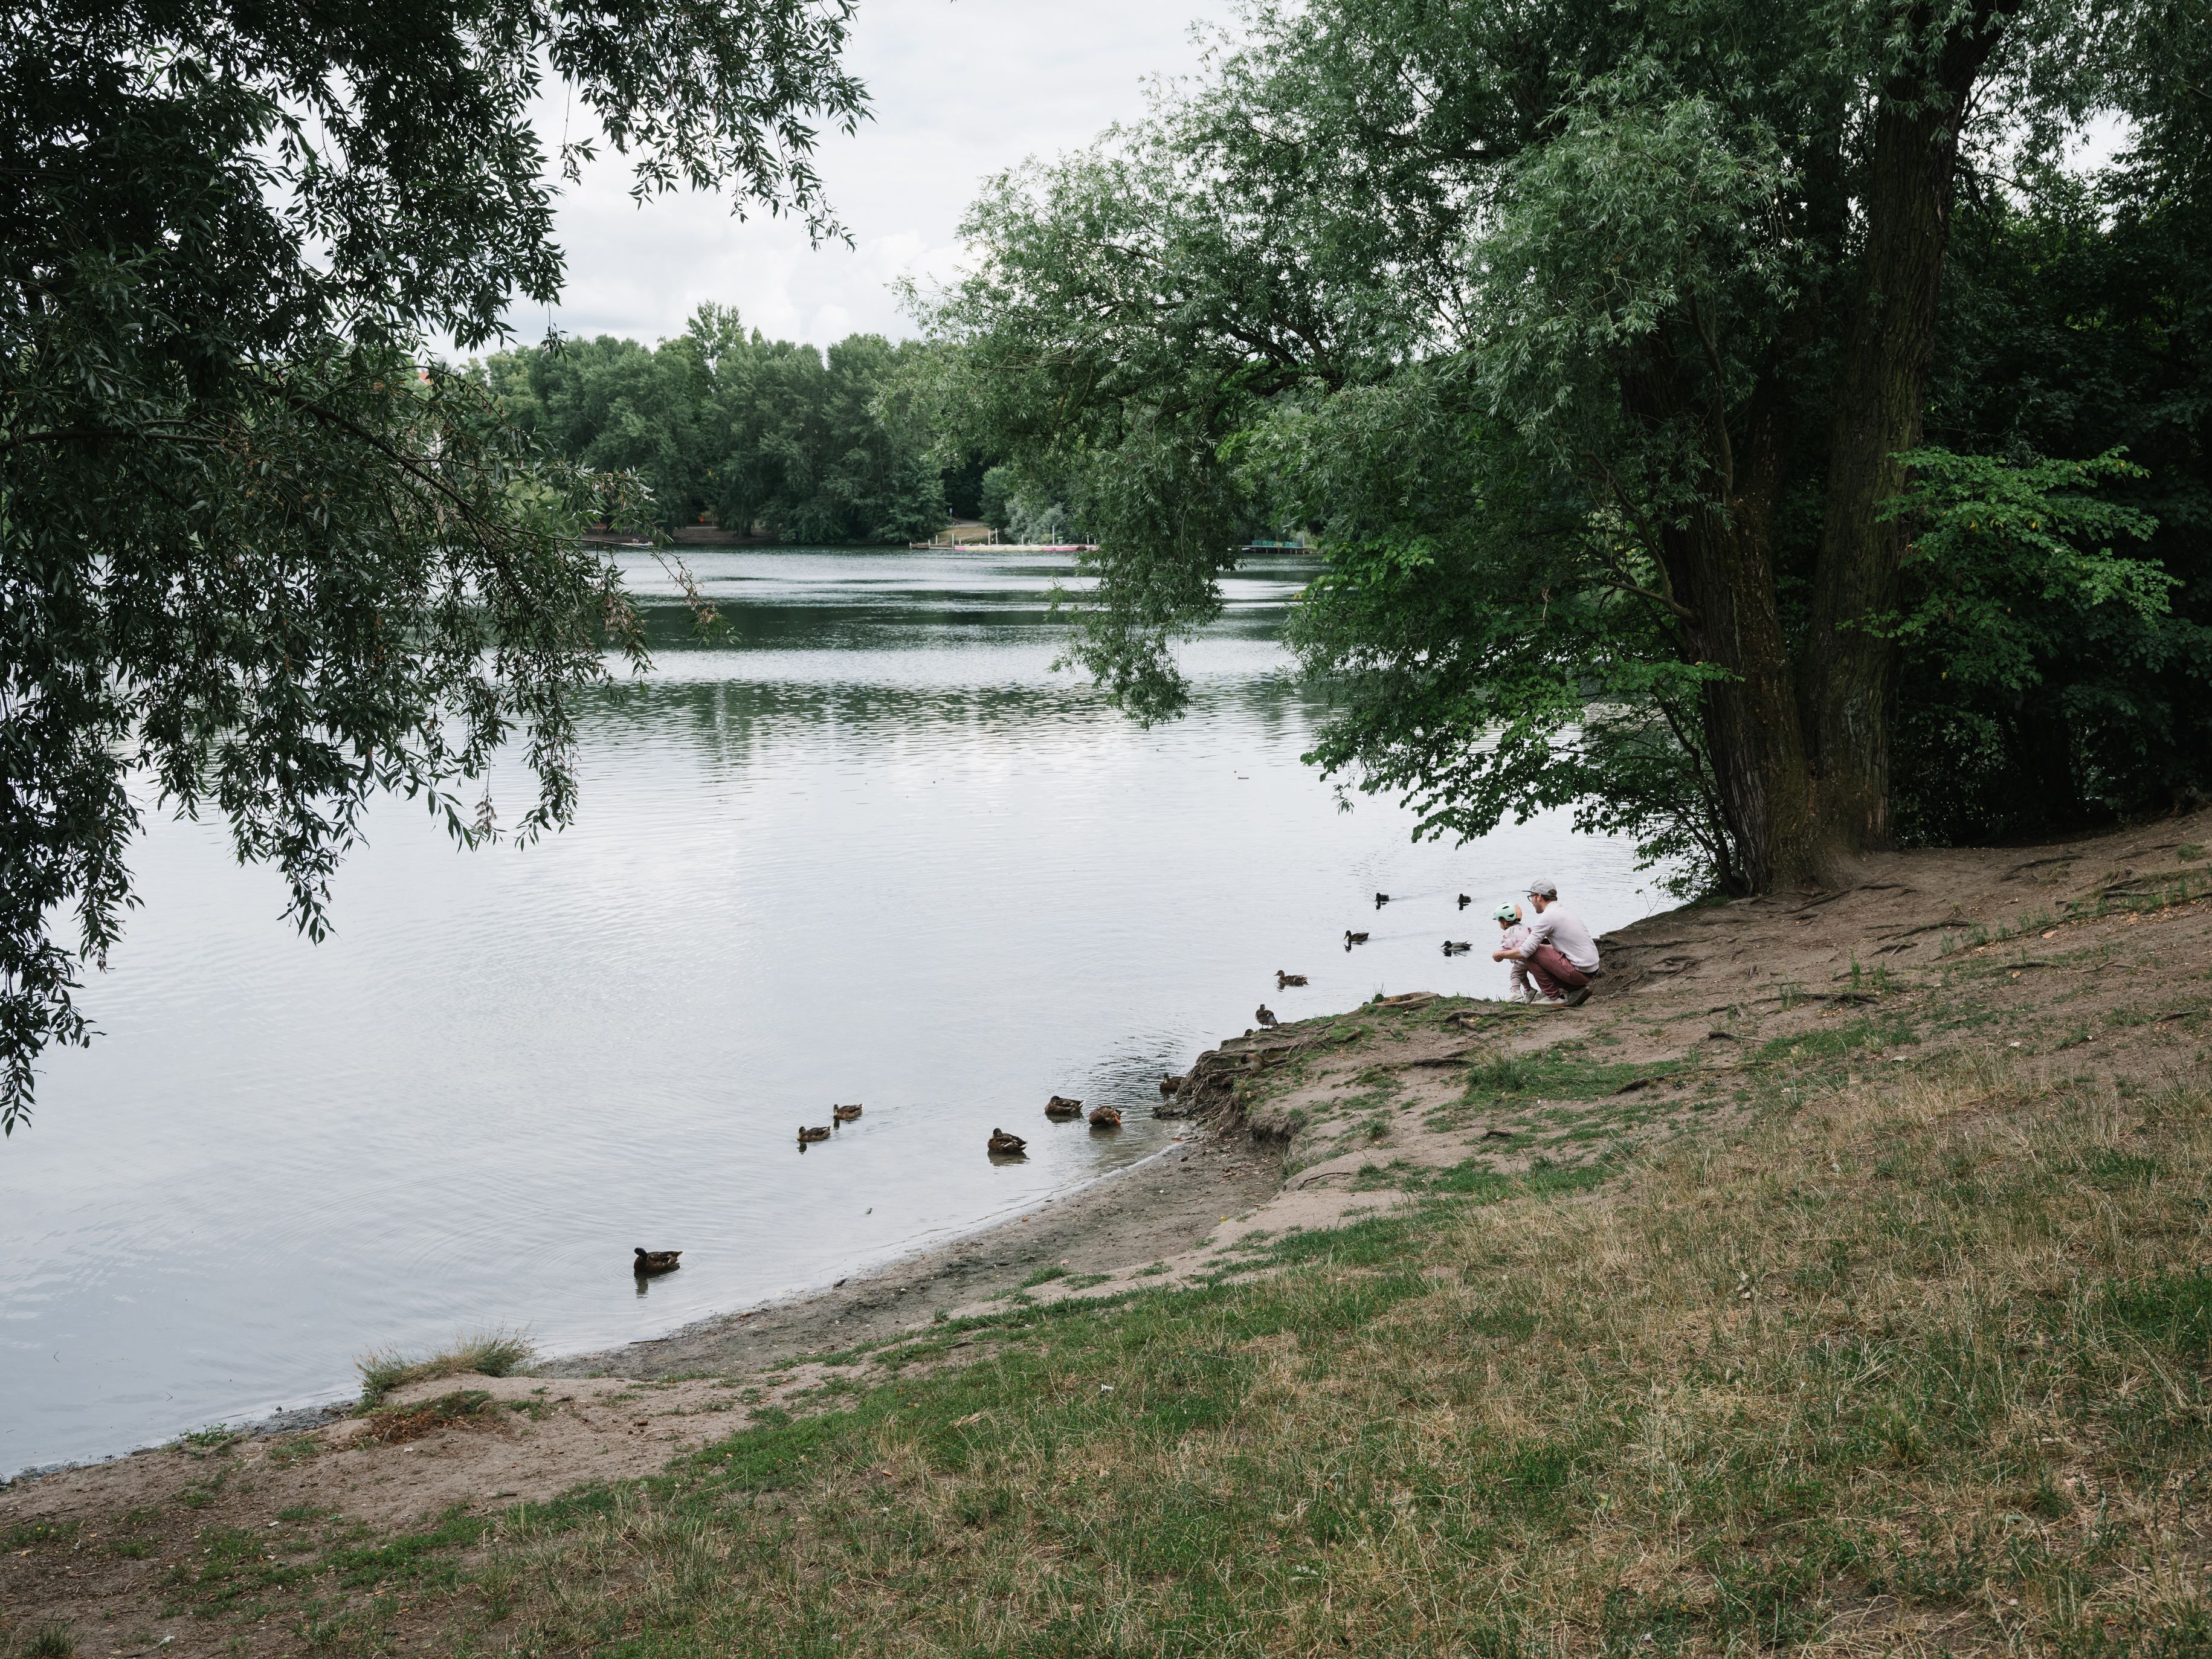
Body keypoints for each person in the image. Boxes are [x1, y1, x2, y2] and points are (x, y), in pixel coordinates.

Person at [1509, 880, 1601, 1006]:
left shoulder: (1548, 916)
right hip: (1590, 969)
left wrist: (1501, 955)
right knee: (1540, 951)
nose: (1532, 902)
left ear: (1539, 897)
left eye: (1532, 897)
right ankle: (1576, 990)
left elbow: (1526, 951)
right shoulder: (1563, 910)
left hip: (1580, 972)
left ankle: (1553, 997)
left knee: (1531, 955)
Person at [1490, 903, 1535, 1002]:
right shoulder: (1525, 927)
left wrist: (1499, 956)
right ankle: (1529, 990)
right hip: (1533, 957)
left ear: (1505, 922)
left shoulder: (1508, 932)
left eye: (1499, 922)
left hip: (1522, 958)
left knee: (1515, 974)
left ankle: (1515, 992)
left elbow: (1504, 950)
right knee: (1522, 975)